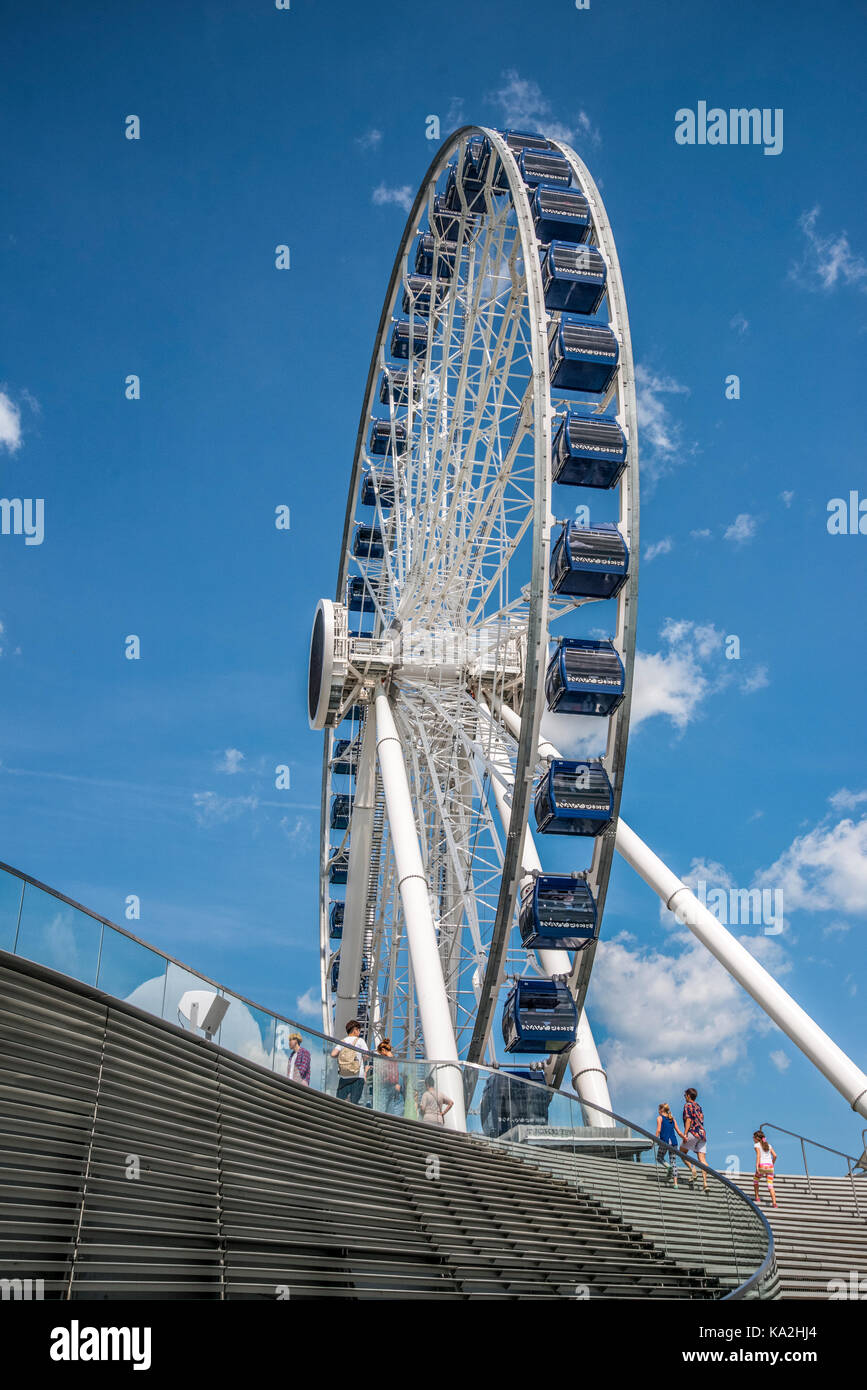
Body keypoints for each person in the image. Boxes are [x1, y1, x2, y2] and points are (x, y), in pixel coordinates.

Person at [330, 1019, 367, 1104]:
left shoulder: (342, 1041)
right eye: (359, 1030)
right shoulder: (360, 1041)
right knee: (354, 1104)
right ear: (355, 1030)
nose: (359, 1033)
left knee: (339, 1103)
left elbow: (333, 1054)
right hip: (357, 1075)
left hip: (344, 1076)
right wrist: (361, 1060)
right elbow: (367, 1055)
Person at [681, 1087, 709, 1191]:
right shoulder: (698, 1106)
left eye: (685, 1095)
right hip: (702, 1134)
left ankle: (692, 1169)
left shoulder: (688, 1105)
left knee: (682, 1153)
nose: (684, 1097)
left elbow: (688, 1119)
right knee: (702, 1160)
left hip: (693, 1132)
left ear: (688, 1096)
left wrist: (685, 1134)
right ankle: (705, 1183)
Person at [655, 1103, 685, 1186]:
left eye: (658, 1109)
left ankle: (668, 1167)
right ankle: (675, 1184)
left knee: (659, 1157)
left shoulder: (660, 1118)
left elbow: (658, 1130)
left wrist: (654, 1139)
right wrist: (685, 1138)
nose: (658, 1111)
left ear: (661, 1110)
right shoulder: (672, 1119)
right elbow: (679, 1132)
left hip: (664, 1141)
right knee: (673, 1162)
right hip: (674, 1142)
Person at [375, 1038, 404, 1116]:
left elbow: (382, 1073)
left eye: (381, 1053)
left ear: (384, 1050)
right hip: (395, 1086)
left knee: (383, 1108)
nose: (381, 1055)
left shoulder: (385, 1060)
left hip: (387, 1086)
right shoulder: (396, 1060)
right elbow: (399, 1073)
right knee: (393, 1107)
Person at [753, 1130, 778, 1207]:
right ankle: (774, 1203)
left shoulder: (756, 1145)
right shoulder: (769, 1145)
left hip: (762, 1166)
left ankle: (757, 1197)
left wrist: (757, 1166)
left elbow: (758, 1156)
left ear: (757, 1138)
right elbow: (775, 1156)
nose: (753, 1138)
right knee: (770, 1185)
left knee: (755, 1180)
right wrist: (772, 1164)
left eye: (754, 1137)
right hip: (770, 1167)